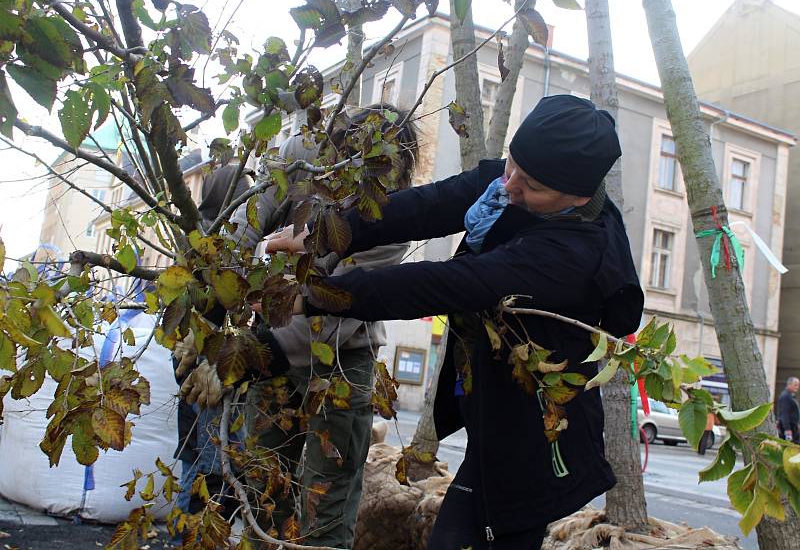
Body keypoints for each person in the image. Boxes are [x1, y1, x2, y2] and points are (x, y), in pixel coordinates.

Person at [266, 95, 645, 550]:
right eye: (512, 166)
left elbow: (445, 283)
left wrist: (313, 298)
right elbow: (426, 205)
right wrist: (321, 232)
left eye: (530, 184)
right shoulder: (517, 181)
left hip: (536, 448)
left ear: (579, 195)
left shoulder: (575, 253)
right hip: (493, 425)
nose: (509, 185)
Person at [181, 104, 418, 549]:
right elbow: (245, 224)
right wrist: (211, 308)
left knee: (326, 504)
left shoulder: (395, 218)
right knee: (263, 485)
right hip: (270, 341)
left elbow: (335, 310)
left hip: (342, 360)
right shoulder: (302, 155)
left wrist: (249, 354)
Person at [172, 163, 253, 519]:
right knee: (211, 468)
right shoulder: (227, 245)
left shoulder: (192, 240)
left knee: (193, 462)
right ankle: (195, 535)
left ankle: (184, 534)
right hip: (209, 370)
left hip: (189, 365)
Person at [777, 376, 800, 442]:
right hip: (789, 427)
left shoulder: (791, 395)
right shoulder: (785, 396)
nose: (797, 387)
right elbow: (784, 413)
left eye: (798, 385)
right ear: (789, 384)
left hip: (794, 426)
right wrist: (787, 429)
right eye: (795, 385)